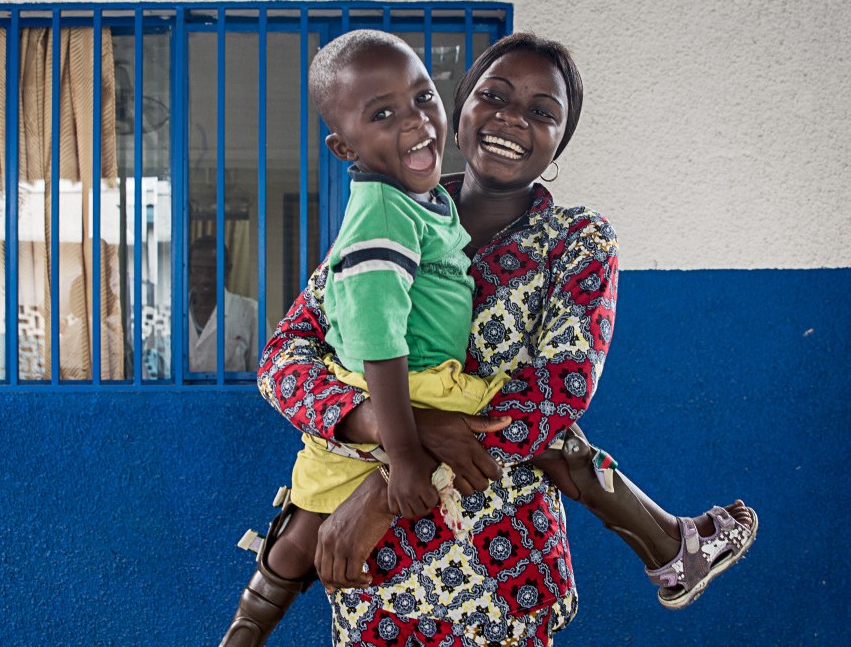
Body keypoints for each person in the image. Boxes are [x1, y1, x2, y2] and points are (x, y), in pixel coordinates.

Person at [223, 32, 758, 647]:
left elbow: (558, 391)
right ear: (461, 107)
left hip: (502, 581)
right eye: (494, 96)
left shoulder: (574, 242)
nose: (512, 119)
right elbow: (283, 359)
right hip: (378, 588)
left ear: (560, 141)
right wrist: (387, 426)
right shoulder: (389, 213)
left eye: (542, 112)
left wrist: (384, 488)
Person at [188, 235, 258, 373]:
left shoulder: (250, 311)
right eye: (198, 270)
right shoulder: (173, 313)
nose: (205, 279)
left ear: (228, 270)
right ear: (189, 270)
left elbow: (266, 371)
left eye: (213, 270)